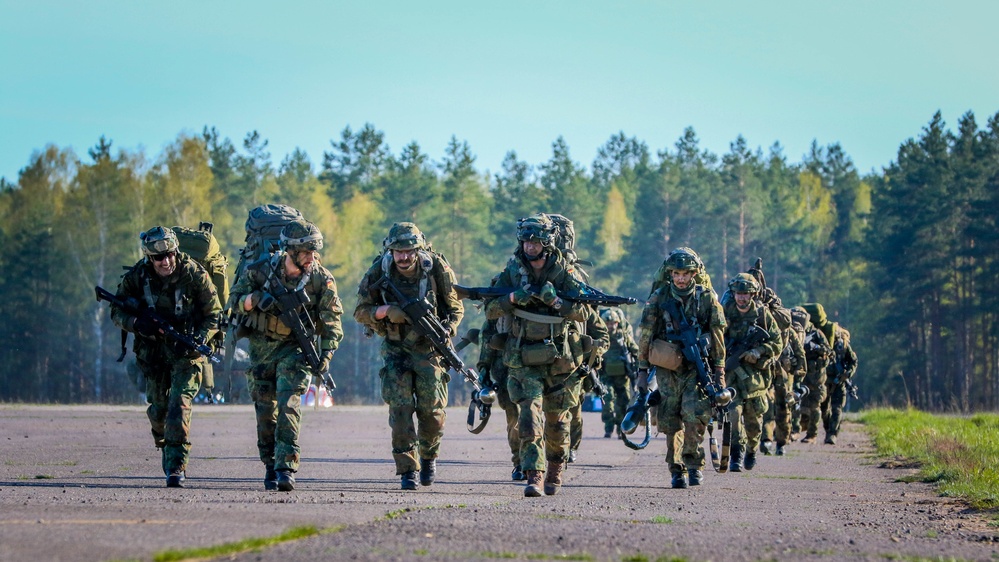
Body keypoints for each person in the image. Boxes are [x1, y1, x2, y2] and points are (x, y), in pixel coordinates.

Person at [230, 219, 343, 491]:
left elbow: (332, 321)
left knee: (289, 405)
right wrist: (255, 300)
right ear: (290, 251)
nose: (311, 258)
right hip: (260, 349)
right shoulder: (258, 271)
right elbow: (233, 302)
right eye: (306, 252)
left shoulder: (320, 278)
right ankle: (270, 463)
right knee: (264, 411)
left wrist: (326, 353)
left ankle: (286, 467)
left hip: (295, 349)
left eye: (314, 252)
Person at [484, 213, 589, 497]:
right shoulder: (512, 271)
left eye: (535, 240)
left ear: (547, 241)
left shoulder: (564, 272)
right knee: (529, 416)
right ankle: (534, 475)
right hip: (523, 357)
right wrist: (512, 299)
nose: (530, 246)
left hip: (559, 361)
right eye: (526, 240)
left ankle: (555, 468)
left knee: (557, 422)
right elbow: (490, 309)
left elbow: (584, 311)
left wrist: (556, 301)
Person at [354, 222, 463, 490]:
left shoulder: (436, 269)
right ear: (390, 251)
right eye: (398, 252)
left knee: (432, 413)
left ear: (418, 250)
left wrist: (447, 328)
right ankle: (407, 470)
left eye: (409, 251)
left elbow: (455, 307)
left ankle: (428, 457)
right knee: (400, 411)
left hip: (430, 348)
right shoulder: (379, 270)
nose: (403, 257)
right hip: (396, 349)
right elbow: (360, 311)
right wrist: (385, 311)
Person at [111, 226, 221, 488]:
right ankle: (165, 443)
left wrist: (199, 340)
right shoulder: (138, 276)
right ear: (150, 258)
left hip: (187, 353)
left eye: (170, 254)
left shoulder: (194, 273)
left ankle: (176, 467)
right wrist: (137, 324)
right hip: (154, 355)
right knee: (159, 411)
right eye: (159, 258)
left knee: (179, 407)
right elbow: (117, 311)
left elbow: (214, 314)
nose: (166, 261)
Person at [637, 248, 726, 489]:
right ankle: (676, 469)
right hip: (667, 366)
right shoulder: (659, 297)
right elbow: (645, 335)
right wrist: (642, 372)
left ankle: (694, 465)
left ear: (694, 274)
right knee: (670, 417)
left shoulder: (707, 298)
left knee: (694, 416)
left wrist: (719, 372)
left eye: (686, 274)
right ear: (670, 274)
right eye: (676, 273)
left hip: (697, 369)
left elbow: (718, 335)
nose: (681, 279)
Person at [722, 273, 783, 472]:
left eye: (746, 294)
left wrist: (758, 351)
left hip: (755, 378)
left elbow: (777, 342)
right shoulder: (725, 312)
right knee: (733, 415)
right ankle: (736, 455)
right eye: (739, 293)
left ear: (753, 294)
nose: (742, 297)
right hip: (731, 377)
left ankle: (751, 450)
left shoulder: (763, 315)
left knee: (754, 424)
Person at [477, 316, 524, 481]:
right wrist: (484, 368)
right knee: (515, 418)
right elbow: (488, 338)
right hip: (506, 372)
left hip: (537, 366)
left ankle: (542, 460)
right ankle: (520, 463)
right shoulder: (498, 310)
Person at [566, 306, 609, 464]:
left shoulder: (582, 308)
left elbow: (603, 337)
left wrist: (592, 355)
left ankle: (571, 448)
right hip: (543, 363)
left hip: (575, 369)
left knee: (574, 413)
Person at [815, 309, 858, 444]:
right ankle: (828, 430)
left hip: (839, 381)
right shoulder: (821, 342)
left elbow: (853, 361)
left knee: (837, 408)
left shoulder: (843, 345)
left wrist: (848, 374)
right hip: (824, 381)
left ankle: (832, 434)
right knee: (824, 409)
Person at [598, 307, 640, 438]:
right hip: (606, 375)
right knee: (607, 400)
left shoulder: (623, 336)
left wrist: (640, 367)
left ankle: (620, 429)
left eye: (613, 323)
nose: (611, 326)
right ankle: (608, 428)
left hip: (623, 376)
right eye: (608, 323)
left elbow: (635, 350)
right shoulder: (601, 336)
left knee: (623, 402)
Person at [797, 304, 833, 444]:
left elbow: (829, 351)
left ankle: (812, 435)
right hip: (801, 375)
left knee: (815, 407)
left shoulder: (816, 333)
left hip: (817, 377)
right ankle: (793, 431)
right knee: (799, 406)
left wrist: (816, 347)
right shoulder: (795, 332)